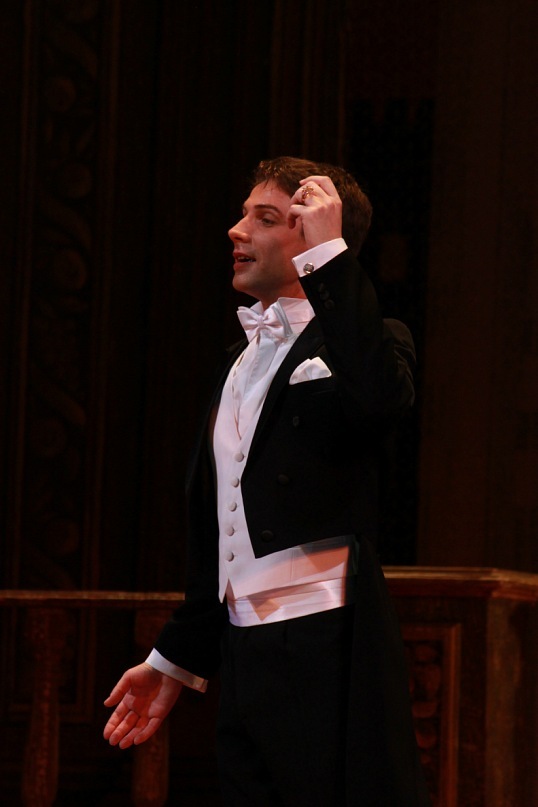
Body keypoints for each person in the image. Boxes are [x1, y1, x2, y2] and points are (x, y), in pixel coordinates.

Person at [103, 156, 431, 807]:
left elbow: (380, 398)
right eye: (243, 214)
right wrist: (174, 658)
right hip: (243, 655)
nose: (237, 230)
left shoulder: (370, 343)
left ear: (314, 235)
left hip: (327, 650)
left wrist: (330, 258)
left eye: (265, 217)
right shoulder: (236, 361)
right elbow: (221, 535)